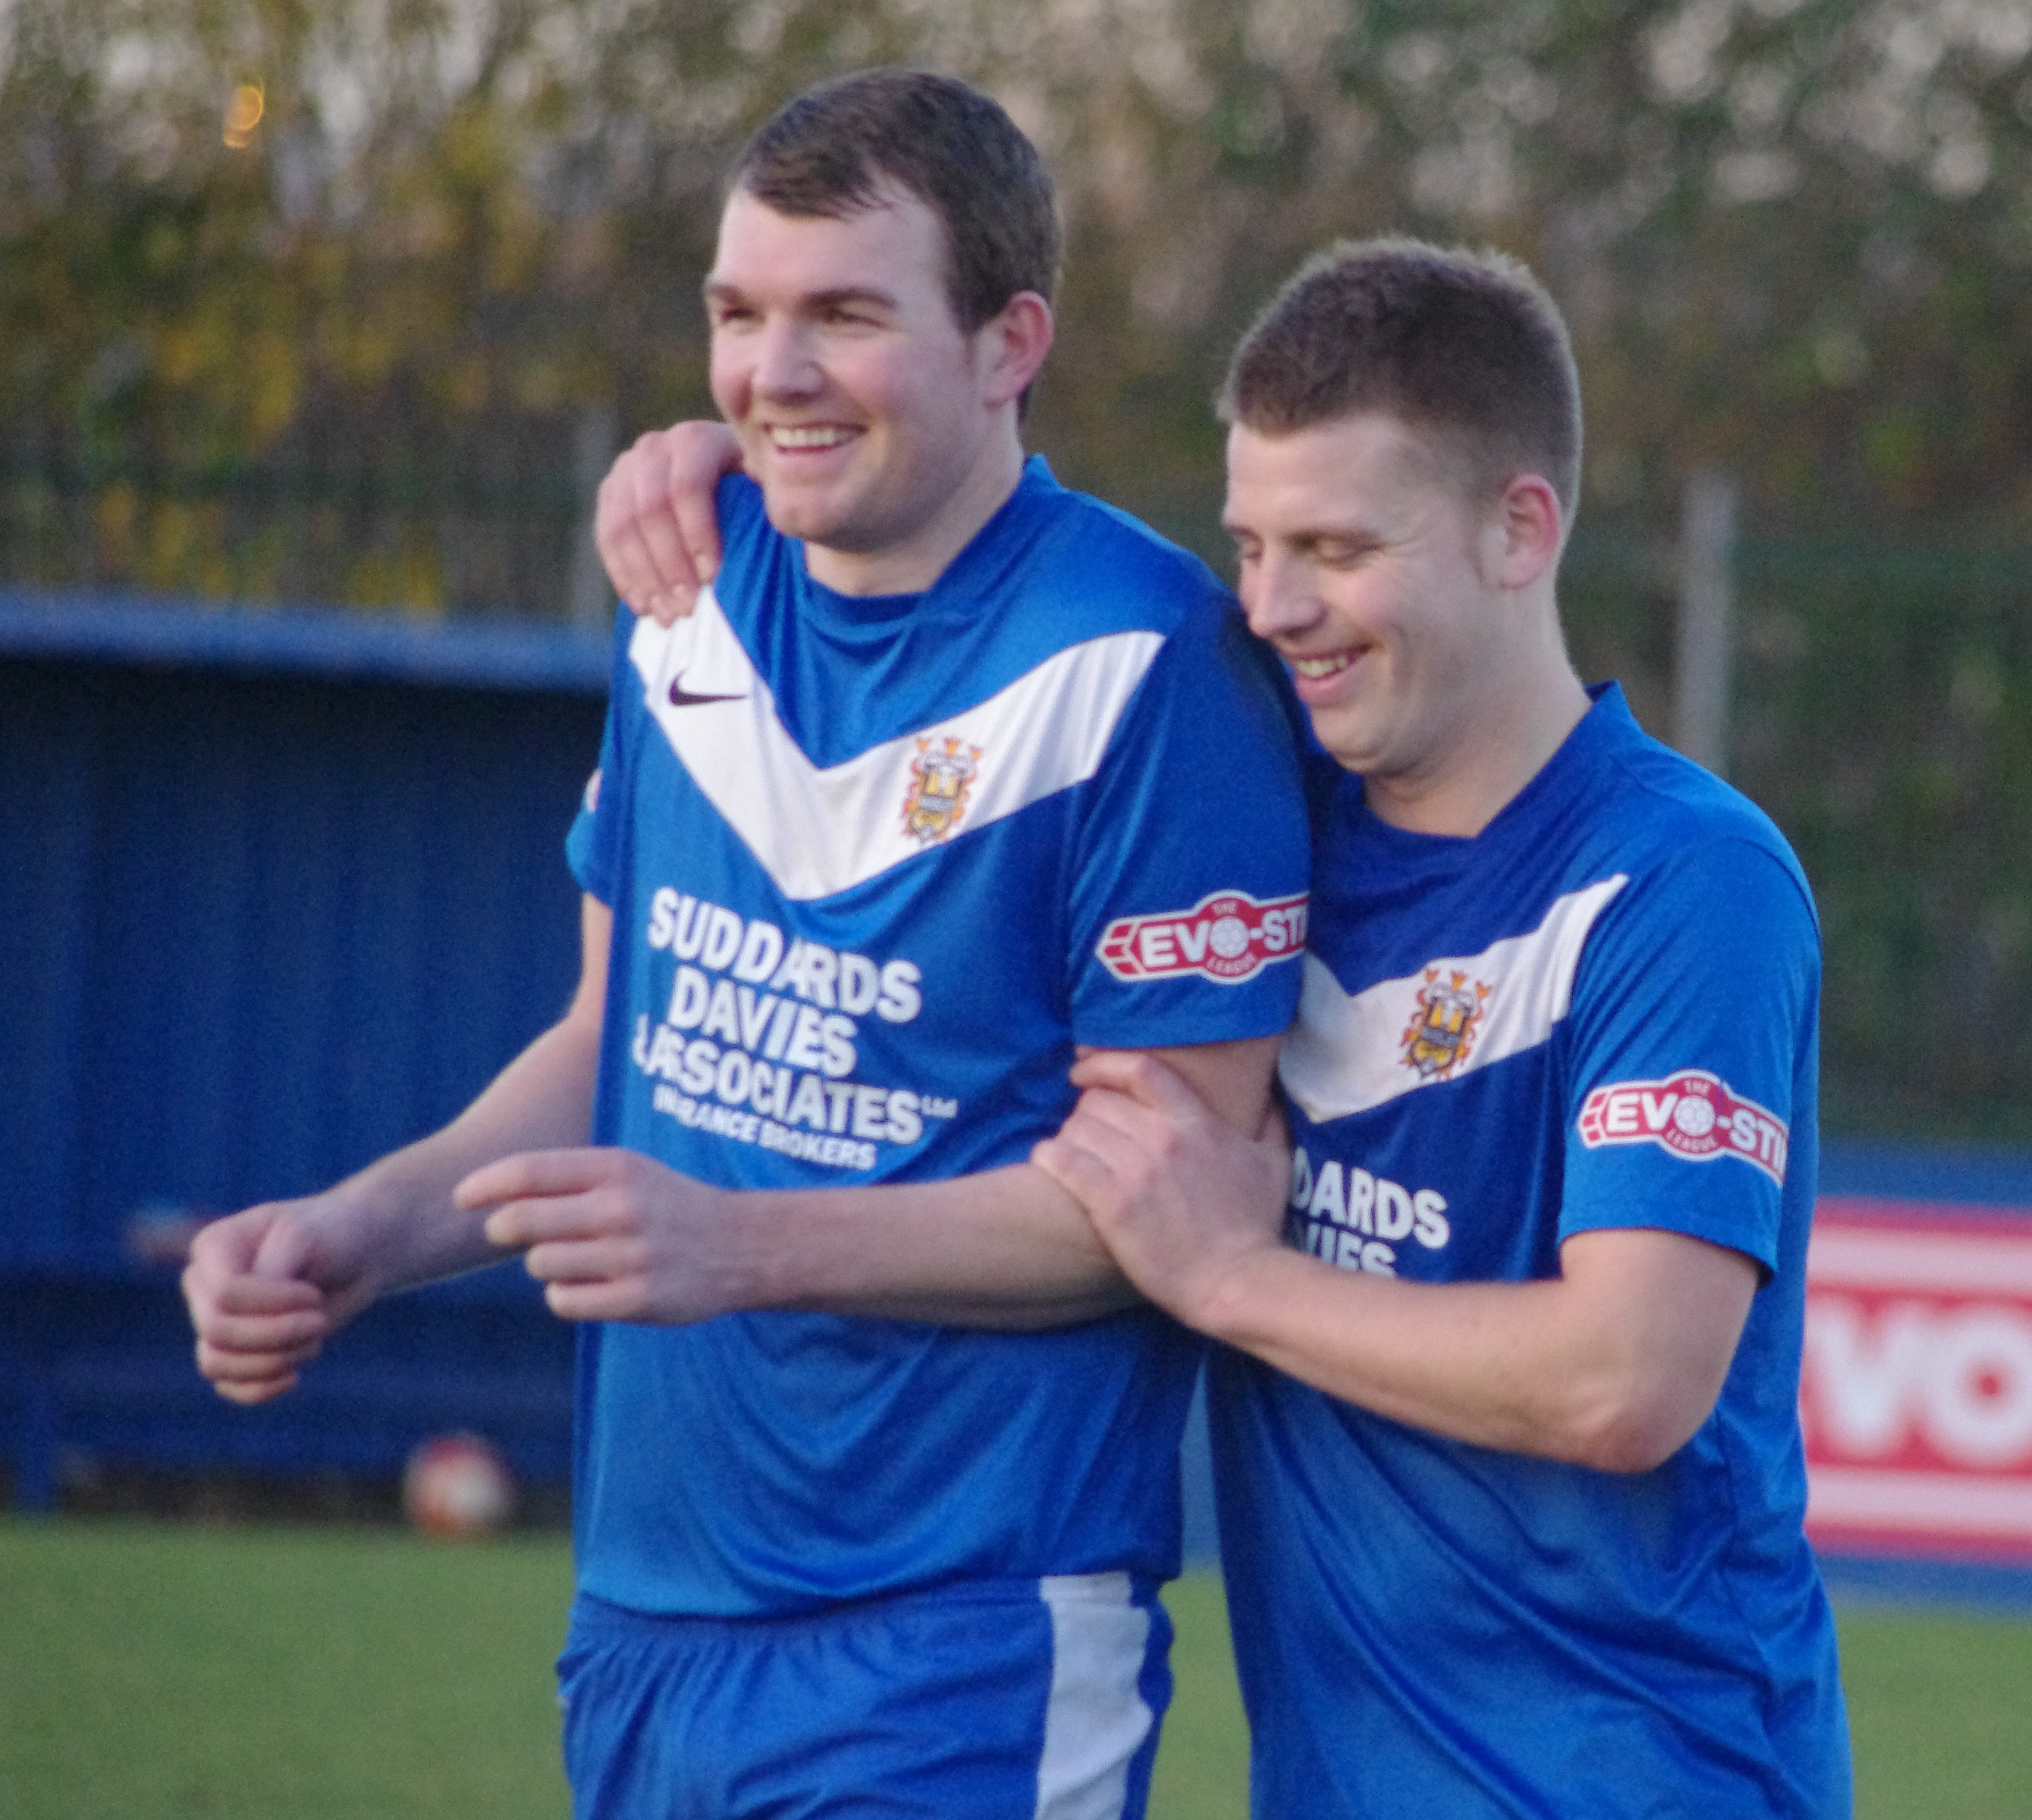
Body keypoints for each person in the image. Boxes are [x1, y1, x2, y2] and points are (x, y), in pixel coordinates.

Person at [181, 69, 1310, 1820]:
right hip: (646, 1616)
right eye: (737, 313)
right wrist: (362, 1232)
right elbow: (607, 1041)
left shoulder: (1148, 668)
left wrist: (739, 1243)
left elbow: (1161, 1211)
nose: (771, 374)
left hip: (963, 1631)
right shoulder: (682, 594)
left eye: (844, 315)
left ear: (1011, 343)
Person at [603, 242, 1851, 1816]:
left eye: (1334, 546)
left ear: (1517, 528)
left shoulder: (1685, 881)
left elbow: (1625, 1380)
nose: (1270, 608)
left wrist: (1234, 1279)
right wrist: (728, 464)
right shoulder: (1249, 820)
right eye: (1250, 544)